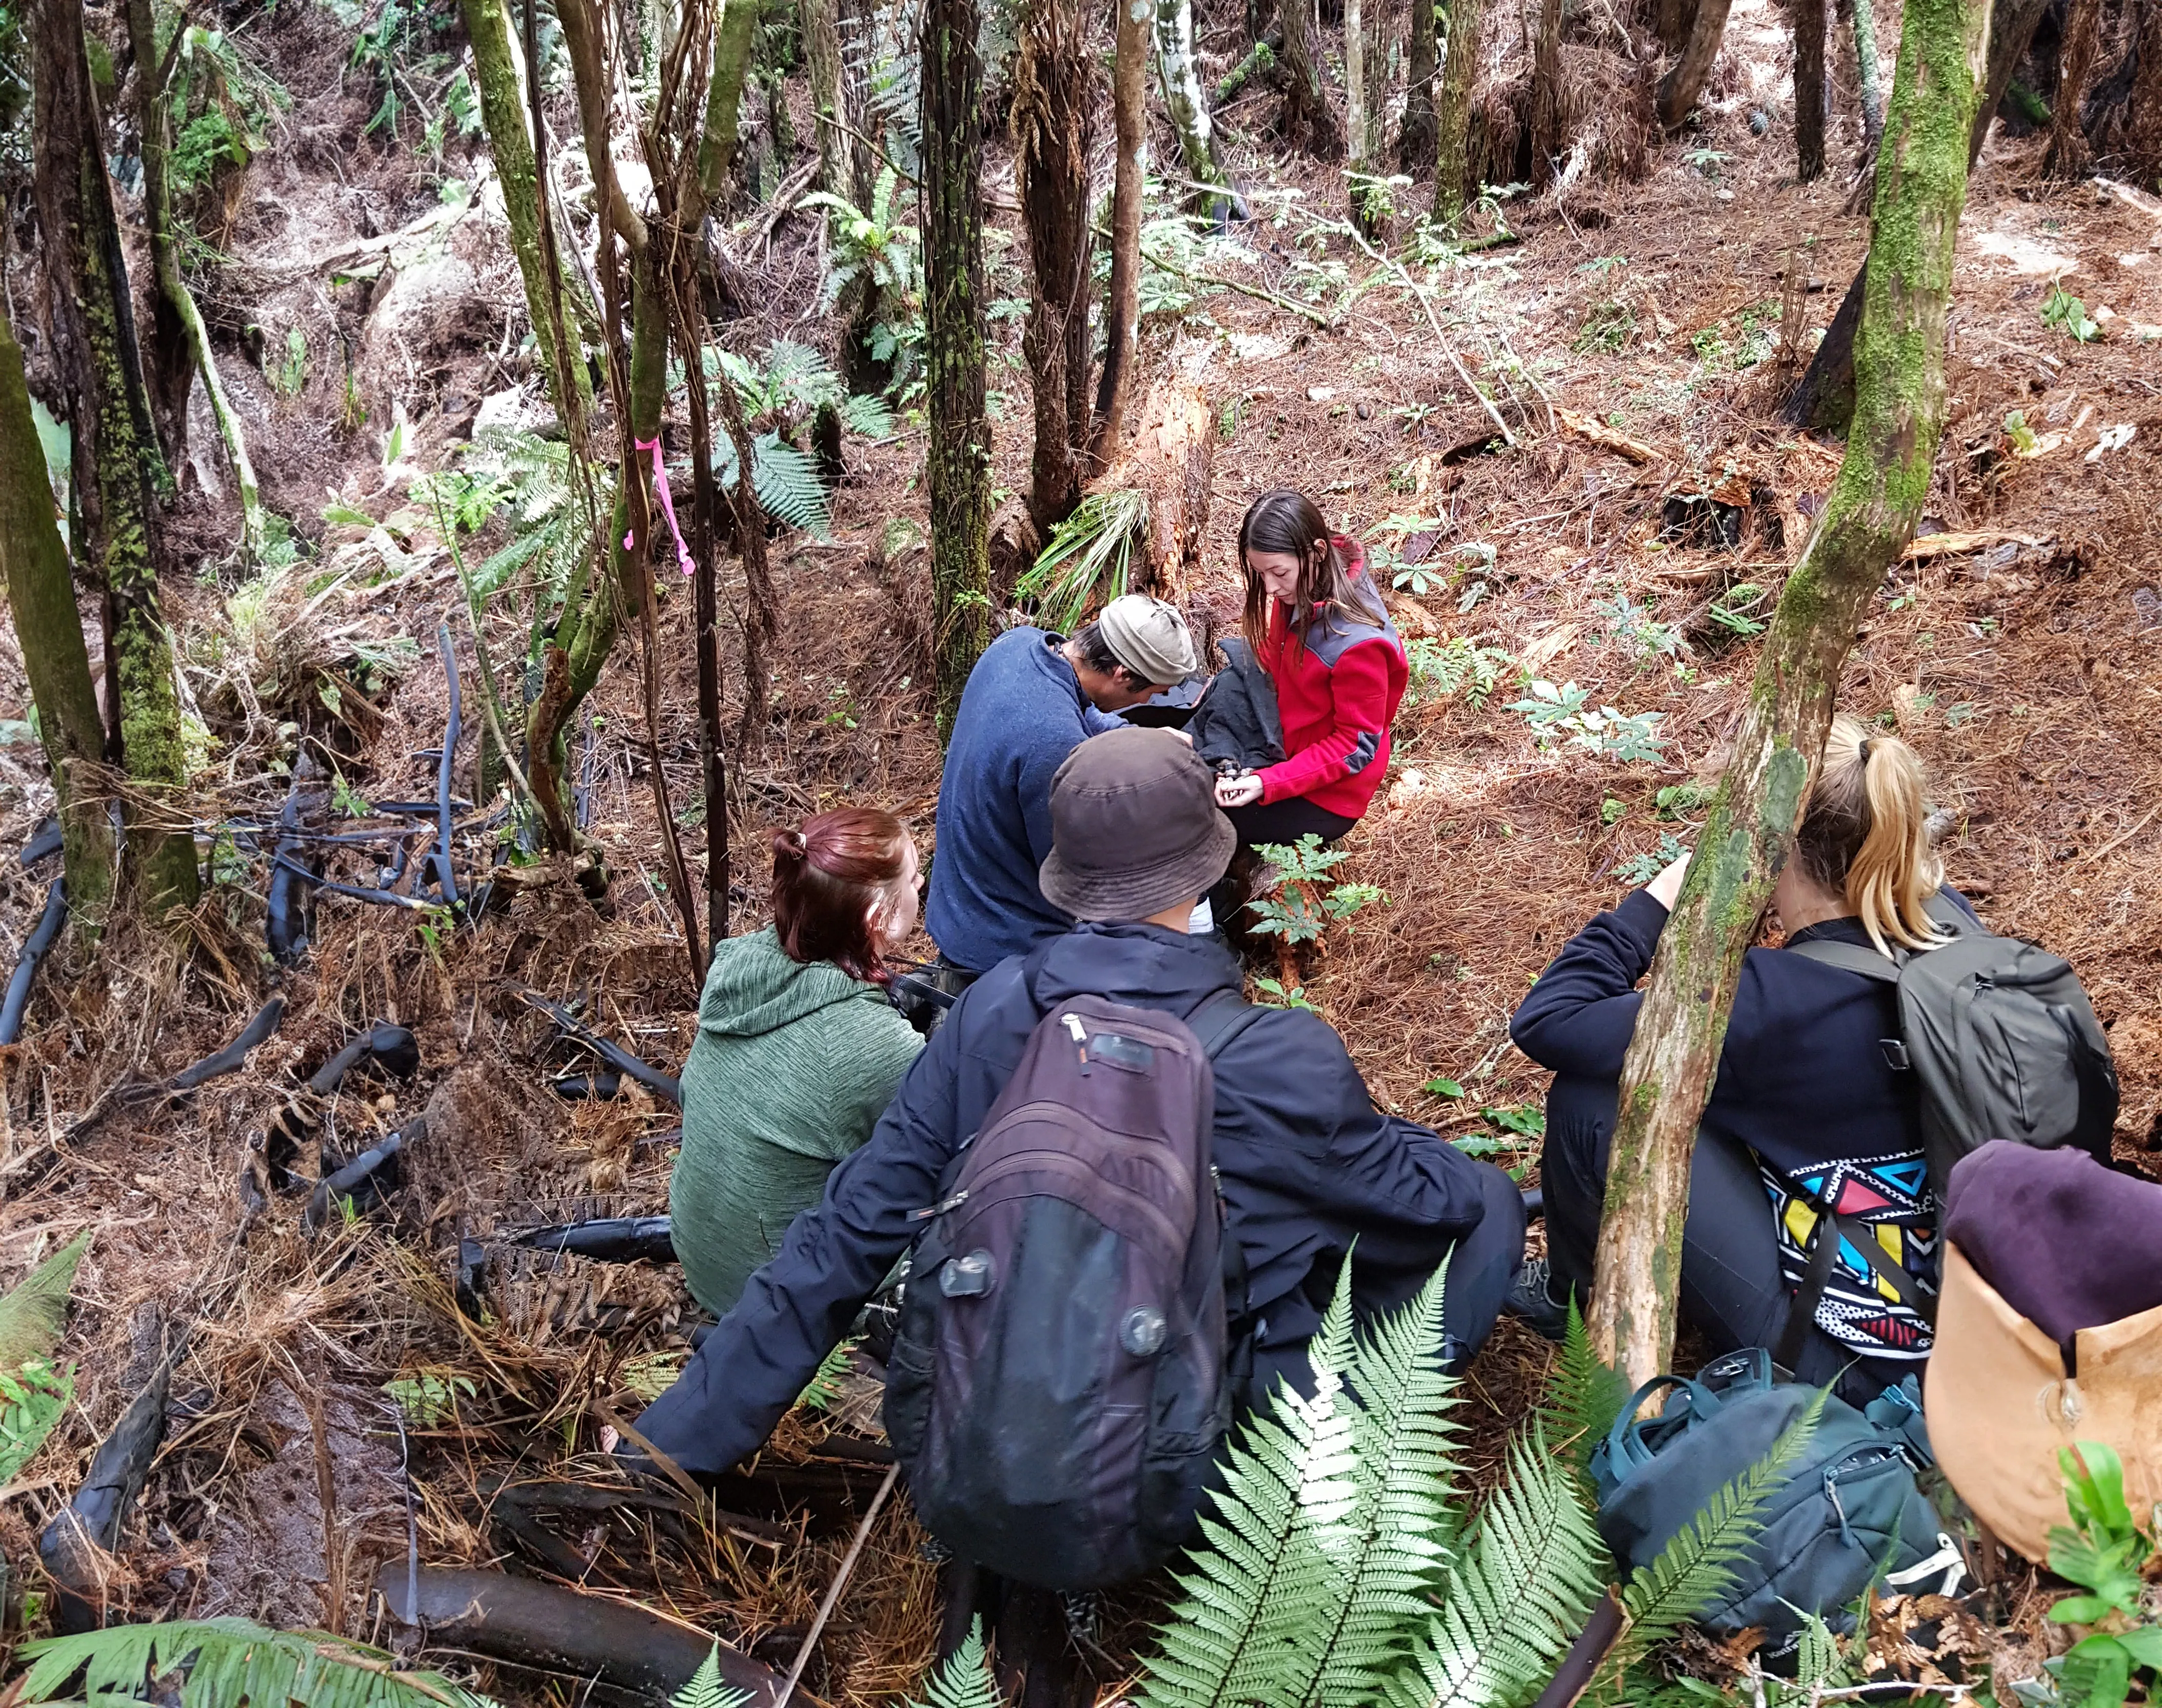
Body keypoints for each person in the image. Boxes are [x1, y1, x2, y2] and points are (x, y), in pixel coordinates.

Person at [635, 727, 1525, 1481]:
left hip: (996, 1394)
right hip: (1173, 1437)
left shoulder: (992, 1013)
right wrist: (1429, 1157)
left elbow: (846, 1229)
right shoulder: (1279, 1056)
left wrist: (670, 1439)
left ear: (1066, 877)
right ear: (1206, 868)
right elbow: (1427, 1206)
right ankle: (1313, 1486)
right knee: (1482, 1211)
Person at [1508, 717, 1980, 1399]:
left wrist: (1666, 892)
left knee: (1589, 1099)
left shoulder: (1768, 1000)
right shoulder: (1948, 922)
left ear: (1774, 844)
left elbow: (1549, 1019)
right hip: (1972, 1318)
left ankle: (1567, 1298)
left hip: (1858, 1367)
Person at [669, 808, 926, 1319]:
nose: (922, 884)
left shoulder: (737, 966)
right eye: (914, 879)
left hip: (702, 1253)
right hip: (771, 1300)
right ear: (877, 915)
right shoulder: (870, 1046)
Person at [924, 596, 1200, 986]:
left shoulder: (1018, 645)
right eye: (1151, 693)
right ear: (1122, 673)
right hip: (1006, 950)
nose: (1147, 702)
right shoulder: (1052, 747)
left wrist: (1139, 741)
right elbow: (1077, 879)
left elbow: (1079, 711)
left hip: (957, 906)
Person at [1210, 490, 1407, 851]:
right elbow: (1271, 663)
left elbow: (1354, 747)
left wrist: (1265, 783)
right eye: (1260, 573)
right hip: (1283, 743)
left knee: (1199, 819)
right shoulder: (1300, 589)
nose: (1269, 587)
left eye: (1279, 572)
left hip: (1326, 796)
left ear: (1316, 552)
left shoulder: (1359, 645)